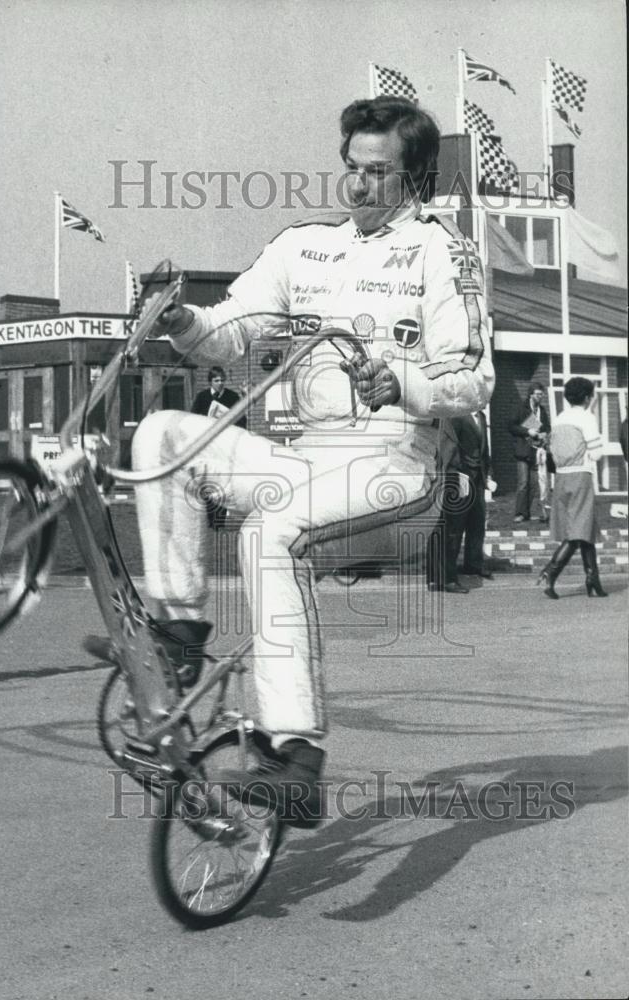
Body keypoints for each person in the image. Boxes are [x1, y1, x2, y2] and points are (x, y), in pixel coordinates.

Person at [115, 96, 494, 824]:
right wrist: (181, 317)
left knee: (271, 529)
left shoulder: (446, 253)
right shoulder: (303, 247)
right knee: (163, 435)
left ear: (412, 175)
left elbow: (476, 378)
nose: (357, 185)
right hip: (306, 458)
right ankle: (181, 635)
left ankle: (296, 757)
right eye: (350, 168)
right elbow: (229, 329)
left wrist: (404, 382)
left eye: (376, 172)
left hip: (400, 462)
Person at [537, 377, 606, 598]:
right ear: (587, 397)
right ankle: (551, 571)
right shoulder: (587, 418)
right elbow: (596, 453)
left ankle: (592, 579)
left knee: (584, 529)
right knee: (580, 531)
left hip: (561, 478)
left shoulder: (559, 418)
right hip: (581, 476)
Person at [427, 411, 493, 593]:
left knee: (476, 523)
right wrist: (452, 477)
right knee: (452, 530)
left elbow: (483, 448)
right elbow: (447, 448)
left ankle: (473, 566)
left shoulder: (481, 416)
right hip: (458, 477)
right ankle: (445, 578)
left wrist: (486, 474)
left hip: (477, 478)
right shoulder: (454, 416)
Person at [190, 366, 246, 528]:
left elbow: (242, 421)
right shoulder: (202, 397)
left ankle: (219, 520)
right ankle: (210, 519)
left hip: (225, 445)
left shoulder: (232, 397)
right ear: (210, 382)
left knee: (222, 483)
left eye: (222, 380)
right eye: (216, 380)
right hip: (208, 446)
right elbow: (193, 419)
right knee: (209, 482)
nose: (220, 383)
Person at [508, 382, 550, 523]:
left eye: (542, 394)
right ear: (531, 395)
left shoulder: (542, 411)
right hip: (522, 450)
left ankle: (526, 513)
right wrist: (528, 431)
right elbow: (511, 426)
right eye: (538, 394)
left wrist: (545, 434)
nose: (540, 397)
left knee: (533, 484)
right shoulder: (521, 408)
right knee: (523, 482)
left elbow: (547, 427)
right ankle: (519, 513)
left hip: (536, 451)